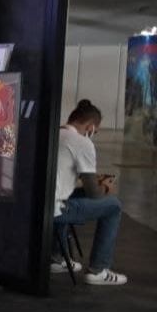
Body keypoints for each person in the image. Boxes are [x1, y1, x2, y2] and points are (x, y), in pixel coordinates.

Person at [53, 99, 127, 286]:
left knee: (68, 194)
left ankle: (55, 257)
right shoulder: (82, 143)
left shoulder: (54, 133)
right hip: (56, 210)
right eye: (96, 131)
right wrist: (106, 187)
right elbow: (94, 193)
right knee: (114, 206)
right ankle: (98, 269)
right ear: (90, 127)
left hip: (42, 203)